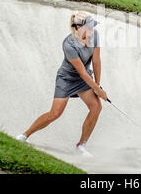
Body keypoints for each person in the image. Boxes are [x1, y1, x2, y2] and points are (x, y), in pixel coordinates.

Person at [15, 11, 108, 157]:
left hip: (83, 80)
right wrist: (97, 89)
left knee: (96, 107)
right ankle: (24, 135)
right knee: (55, 113)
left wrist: (98, 85)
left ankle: (81, 145)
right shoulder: (69, 44)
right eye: (88, 27)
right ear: (78, 27)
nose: (91, 30)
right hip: (67, 79)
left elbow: (96, 61)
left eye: (92, 27)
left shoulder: (94, 36)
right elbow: (82, 72)